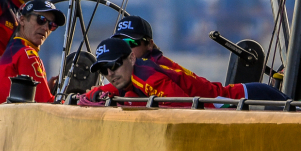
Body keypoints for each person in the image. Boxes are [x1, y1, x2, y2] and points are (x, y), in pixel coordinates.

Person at [109, 15, 287, 101]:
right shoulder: (138, 69)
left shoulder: (147, 69)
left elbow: (180, 105)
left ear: (149, 44)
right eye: (120, 44)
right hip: (233, 97)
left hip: (240, 97)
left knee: (300, 110)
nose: (126, 50)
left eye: (131, 43)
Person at [0, 0, 65, 105]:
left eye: (52, 25)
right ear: (22, 20)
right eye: (41, 19)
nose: (46, 28)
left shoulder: (12, 50)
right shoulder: (27, 54)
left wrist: (46, 88)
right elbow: (47, 104)